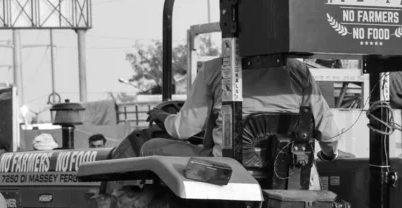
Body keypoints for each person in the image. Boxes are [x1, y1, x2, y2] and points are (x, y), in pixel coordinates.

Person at [140, 57, 339, 165]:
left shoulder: (215, 69)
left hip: (227, 168)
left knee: (150, 146)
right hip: (288, 169)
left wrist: (163, 117)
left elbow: (183, 130)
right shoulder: (299, 71)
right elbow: (328, 134)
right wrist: (329, 155)